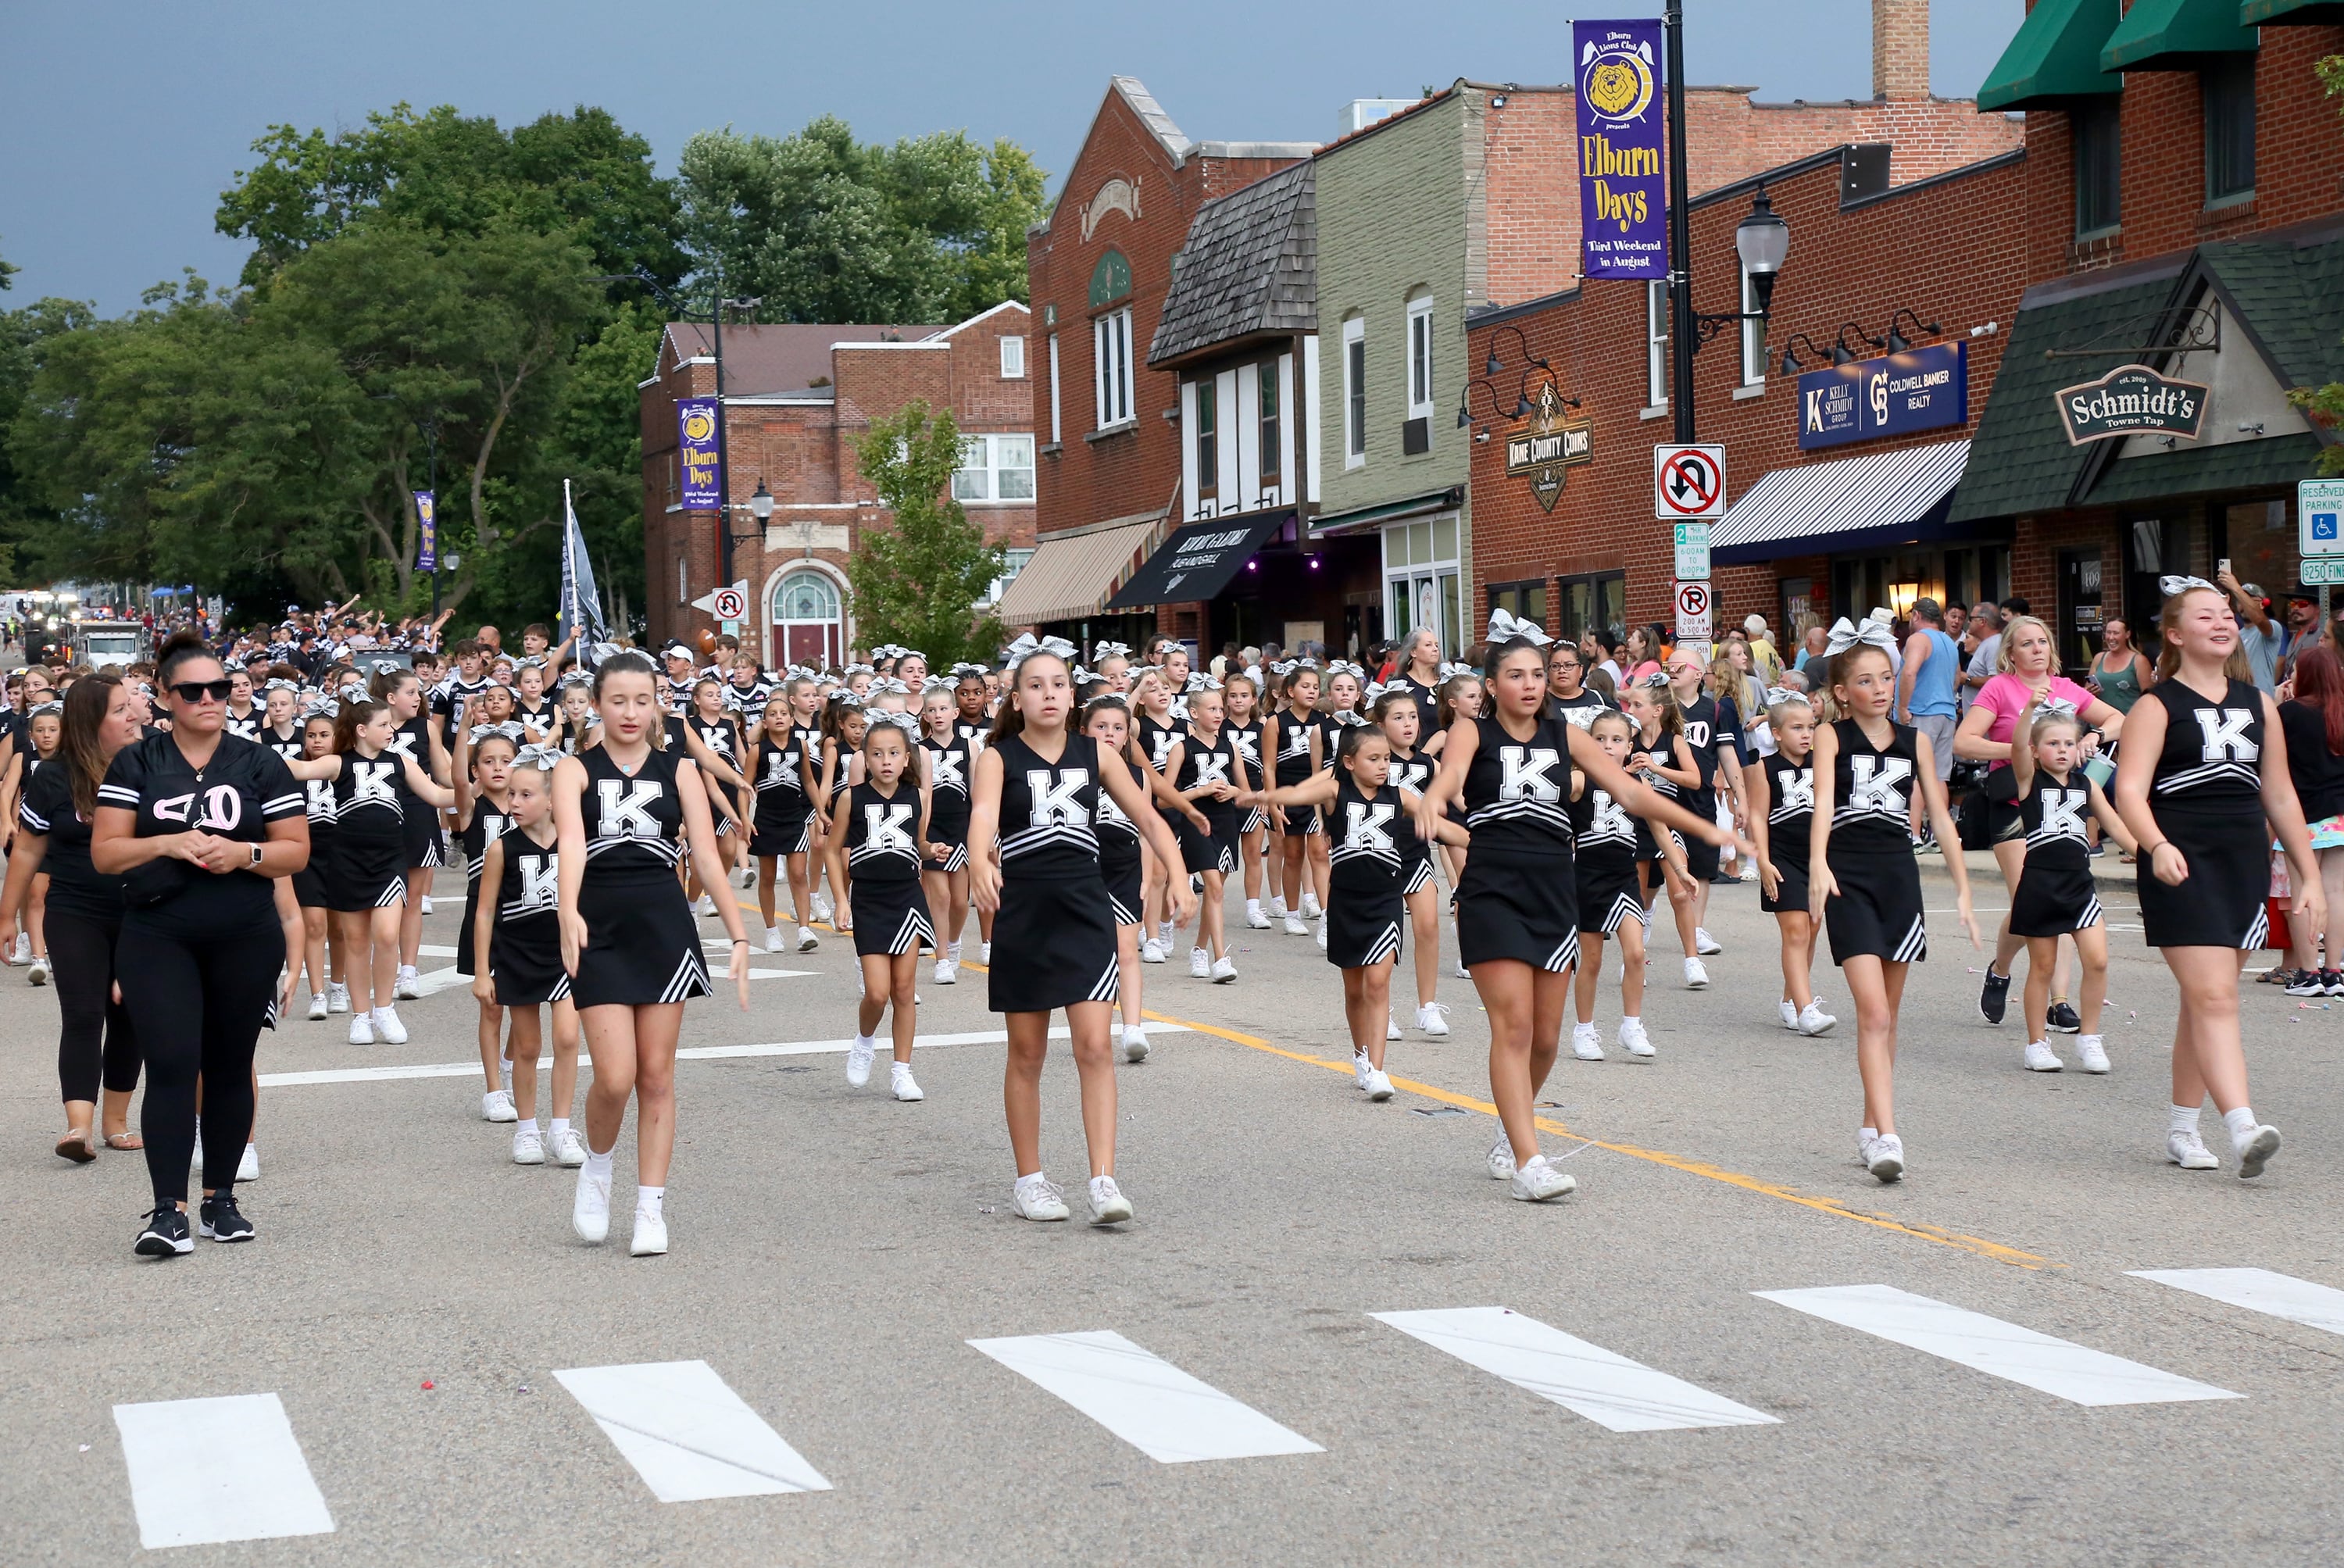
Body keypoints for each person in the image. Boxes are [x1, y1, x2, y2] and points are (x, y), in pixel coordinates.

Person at [1411, 613, 1731, 1202]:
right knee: (1513, 1026)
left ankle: (1513, 1131)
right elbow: (1450, 774)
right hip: (1492, 890)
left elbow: (1632, 791)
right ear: (1492, 685)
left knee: (1547, 1037)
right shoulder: (1472, 731)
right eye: (1516, 675)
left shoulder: (1566, 735)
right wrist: (1433, 798)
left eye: (1538, 673)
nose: (1531, 684)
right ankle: (1531, 1159)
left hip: (1554, 889)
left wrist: (1706, 831)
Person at [95, 634, 310, 1256]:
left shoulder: (258, 762)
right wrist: (165, 842)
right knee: (169, 1064)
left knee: (228, 1063)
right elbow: (106, 853)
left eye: (220, 687)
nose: (211, 699)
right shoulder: (136, 764)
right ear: (164, 697)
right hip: (157, 930)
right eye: (193, 691)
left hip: (243, 931)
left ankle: (221, 1199)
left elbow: (295, 849)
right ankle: (169, 1210)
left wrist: (245, 852)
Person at [968, 636, 1192, 1224]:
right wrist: (979, 860)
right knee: (1027, 1052)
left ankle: (1102, 1179)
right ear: (1016, 697)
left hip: (1086, 908)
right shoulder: (998, 757)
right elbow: (983, 819)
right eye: (1035, 685)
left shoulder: (1098, 753)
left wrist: (1179, 875)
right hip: (1025, 915)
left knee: (1095, 1046)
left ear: (1073, 695)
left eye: (1059, 684)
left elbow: (1148, 816)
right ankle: (1031, 1179)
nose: (1048, 693)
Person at [2114, 577, 2319, 1177]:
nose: (2223, 621)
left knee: (2202, 1002)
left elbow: (2279, 793)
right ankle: (2242, 1125)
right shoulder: (2156, 706)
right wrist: (2153, 844)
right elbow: (2129, 789)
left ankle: (2183, 1129)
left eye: (2226, 613)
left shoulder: (2259, 705)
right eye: (2206, 616)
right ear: (2176, 634)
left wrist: (2305, 873)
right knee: (2214, 996)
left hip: (2241, 862)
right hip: (2180, 859)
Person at [552, 650, 752, 1255]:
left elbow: (707, 858)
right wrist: (566, 910)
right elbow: (570, 846)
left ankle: (649, 1207)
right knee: (615, 1076)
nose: (631, 712)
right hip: (599, 927)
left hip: (664, 926)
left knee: (657, 1076)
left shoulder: (681, 769)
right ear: (597, 702)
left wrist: (740, 933)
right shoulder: (573, 769)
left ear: (658, 701)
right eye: (618, 700)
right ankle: (598, 1169)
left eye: (642, 700)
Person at [1807, 618, 1980, 1184]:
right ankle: (1888, 1133)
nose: (1881, 688)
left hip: (1899, 879)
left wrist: (1962, 887)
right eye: (1866, 680)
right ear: (1842, 692)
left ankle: (1867, 1127)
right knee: (1873, 1012)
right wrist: (1818, 863)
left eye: (1886, 677)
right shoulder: (1833, 735)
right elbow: (1824, 806)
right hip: (1848, 880)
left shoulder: (1917, 741)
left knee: (1889, 1017)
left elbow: (1939, 814)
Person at [1243, 716, 1463, 1099]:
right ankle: (1360, 1055)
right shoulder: (1334, 791)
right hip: (1346, 901)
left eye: (1386, 759)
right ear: (1349, 762)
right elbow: (1297, 793)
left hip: (1385, 902)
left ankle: (1378, 1068)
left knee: (1377, 984)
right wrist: (1266, 797)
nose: (1383, 766)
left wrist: (1488, 842)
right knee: (1355, 991)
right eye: (1373, 759)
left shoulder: (1401, 796)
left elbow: (1446, 828)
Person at [1954, 615, 2126, 1032]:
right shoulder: (1999, 689)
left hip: (2060, 808)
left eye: (2042, 642)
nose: (2036, 649)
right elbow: (1964, 742)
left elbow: (2118, 719)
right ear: (2010, 654)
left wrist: (2093, 738)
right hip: (2014, 800)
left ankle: (2059, 1001)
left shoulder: (2066, 689)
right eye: (2026, 643)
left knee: (2060, 900)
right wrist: (2023, 750)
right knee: (2029, 901)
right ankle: (2001, 968)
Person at [1, 675, 143, 1161]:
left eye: (131, 706)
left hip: (143, 915)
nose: (133, 715)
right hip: (74, 910)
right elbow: (27, 848)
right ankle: (77, 1128)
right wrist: (7, 917)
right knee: (82, 1014)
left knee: (129, 1017)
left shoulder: (150, 767)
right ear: (91, 721)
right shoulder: (54, 776)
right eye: (121, 709)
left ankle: (117, 1122)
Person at [2004, 688, 2134, 1074]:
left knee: (2098, 960)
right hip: (2041, 885)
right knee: (2042, 968)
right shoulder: (2029, 781)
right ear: (2036, 748)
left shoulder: (2086, 785)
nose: (2062, 750)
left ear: (2080, 747)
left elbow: (2114, 826)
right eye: (2052, 743)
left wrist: (2153, 854)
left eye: (2069, 743)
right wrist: (2028, 709)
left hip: (2079, 885)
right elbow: (2015, 749)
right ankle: (2036, 1044)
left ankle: (2089, 1038)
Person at [470, 745, 584, 1166]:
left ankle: (561, 1128)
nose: (514, 803)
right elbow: (484, 912)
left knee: (569, 1038)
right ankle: (527, 1130)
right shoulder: (502, 848)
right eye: (512, 795)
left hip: (564, 954)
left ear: (553, 800)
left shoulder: (576, 844)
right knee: (529, 1046)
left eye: (526, 795)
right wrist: (483, 972)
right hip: (517, 955)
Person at [841, 713, 935, 1102]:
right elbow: (835, 852)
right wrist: (840, 900)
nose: (886, 761)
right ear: (865, 758)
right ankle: (864, 1041)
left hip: (907, 897)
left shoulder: (919, 796)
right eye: (877, 753)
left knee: (903, 989)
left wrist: (934, 850)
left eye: (894, 753)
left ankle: (902, 1072)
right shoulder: (852, 797)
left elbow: (919, 843)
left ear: (907, 758)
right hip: (868, 898)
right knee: (877, 993)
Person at [1567, 709, 1658, 1061]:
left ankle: (1631, 1025)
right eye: (1599, 739)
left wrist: (1680, 869)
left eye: (1616, 740)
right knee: (1590, 960)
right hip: (1587, 877)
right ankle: (1584, 1029)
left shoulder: (1638, 784)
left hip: (1624, 877)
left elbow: (1660, 827)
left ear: (1630, 745)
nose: (1608, 746)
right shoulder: (1579, 780)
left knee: (1635, 953)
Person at [1749, 688, 1835, 1037]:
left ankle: (1790, 1000)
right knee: (1796, 931)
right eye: (1797, 728)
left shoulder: (1823, 764)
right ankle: (1806, 1009)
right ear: (1777, 733)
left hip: (1815, 858)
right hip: (1782, 858)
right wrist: (1763, 861)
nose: (1805, 735)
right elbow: (1758, 816)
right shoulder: (1764, 767)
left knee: (1812, 930)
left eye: (1810, 727)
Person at [1371, 687, 1449, 1038]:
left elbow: (1456, 798)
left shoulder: (1428, 764)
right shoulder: (1372, 761)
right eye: (1398, 718)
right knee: (1384, 939)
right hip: (1379, 854)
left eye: (1413, 717)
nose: (1408, 724)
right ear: (1380, 724)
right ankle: (1381, 1011)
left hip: (1417, 854)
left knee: (1429, 927)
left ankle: (1427, 1007)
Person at [1162, 680, 1247, 982]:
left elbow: (1246, 792)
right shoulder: (1180, 748)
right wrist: (1201, 791)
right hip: (1197, 821)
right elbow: (1164, 797)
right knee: (1214, 886)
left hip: (1226, 822)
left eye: (1220, 709)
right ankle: (1221, 958)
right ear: (1194, 713)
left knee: (1216, 892)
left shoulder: (1231, 747)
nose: (1219, 714)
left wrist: (1231, 790)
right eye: (1212, 709)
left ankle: (1199, 950)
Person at [748, 688, 820, 954]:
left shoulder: (800, 745)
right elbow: (746, 786)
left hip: (795, 815)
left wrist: (821, 811)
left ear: (792, 719)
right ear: (764, 722)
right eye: (772, 714)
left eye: (783, 714)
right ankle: (771, 931)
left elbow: (809, 780)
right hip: (766, 817)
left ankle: (804, 929)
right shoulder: (757, 750)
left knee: (799, 873)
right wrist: (744, 820)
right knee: (767, 876)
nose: (779, 718)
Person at [916, 685, 977, 983]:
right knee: (939, 895)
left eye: (943, 709)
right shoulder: (919, 749)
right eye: (932, 710)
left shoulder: (970, 747)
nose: (938, 715)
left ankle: (954, 942)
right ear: (925, 715)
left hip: (962, 827)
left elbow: (978, 794)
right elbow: (921, 794)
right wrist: (920, 834)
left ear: (955, 712)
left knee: (960, 901)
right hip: (933, 826)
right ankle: (941, 956)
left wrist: (984, 834)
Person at [1264, 663, 1327, 934]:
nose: (1311, 691)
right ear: (1290, 690)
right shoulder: (1275, 722)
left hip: (1316, 795)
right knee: (1293, 855)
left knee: (1320, 853)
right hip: (1288, 796)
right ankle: (1291, 913)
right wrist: (1272, 802)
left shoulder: (1323, 721)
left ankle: (1326, 915)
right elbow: (1269, 766)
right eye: (1305, 686)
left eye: (1315, 687)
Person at [1893, 599, 1962, 841]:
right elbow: (1956, 679)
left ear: (1917, 616)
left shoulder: (1918, 639)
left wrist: (1903, 707)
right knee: (1940, 777)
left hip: (1922, 712)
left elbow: (1910, 671)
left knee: (1916, 774)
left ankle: (1913, 834)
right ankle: (1937, 834)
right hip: (1947, 712)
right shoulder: (1949, 642)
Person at [2085, 618, 2153, 716]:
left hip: (2128, 723)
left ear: (2127, 635)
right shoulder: (2099, 658)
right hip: (2100, 724)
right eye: (2108, 633)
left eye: (2116, 633)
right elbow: (2086, 692)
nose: (2111, 637)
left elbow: (2149, 697)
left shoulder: (2139, 661)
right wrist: (2090, 691)